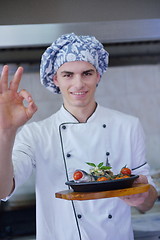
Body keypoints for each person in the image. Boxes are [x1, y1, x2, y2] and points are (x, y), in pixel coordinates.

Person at [0, 33, 158, 240]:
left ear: (98, 75)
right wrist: (6, 131)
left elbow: (148, 200)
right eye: (67, 75)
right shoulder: (36, 134)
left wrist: (143, 196)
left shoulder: (127, 126)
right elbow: (3, 190)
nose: (79, 84)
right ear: (55, 78)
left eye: (87, 73)